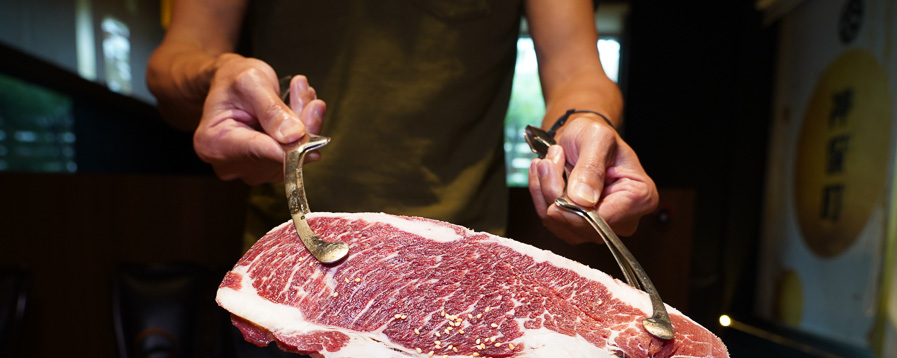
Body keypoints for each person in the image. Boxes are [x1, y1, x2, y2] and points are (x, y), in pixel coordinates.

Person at [146, 0, 658, 247]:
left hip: (461, 270)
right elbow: (181, 55)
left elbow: (576, 69)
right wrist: (215, 74)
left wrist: (584, 123)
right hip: (294, 262)